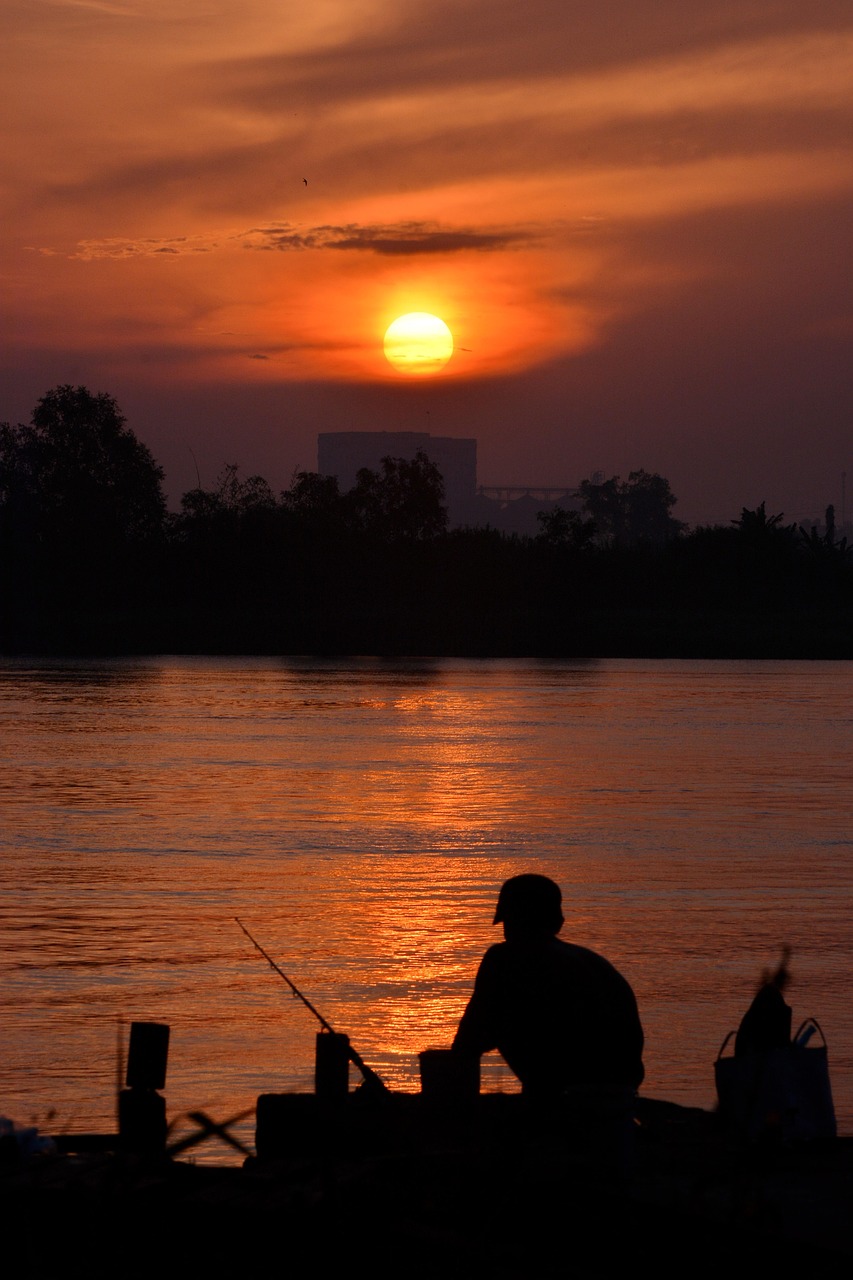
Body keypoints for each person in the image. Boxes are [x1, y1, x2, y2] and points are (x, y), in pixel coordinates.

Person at [452, 874, 644, 1103]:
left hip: (565, 1092)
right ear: (558, 921)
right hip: (622, 1091)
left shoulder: (504, 959)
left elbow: (468, 1043)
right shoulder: (594, 963)